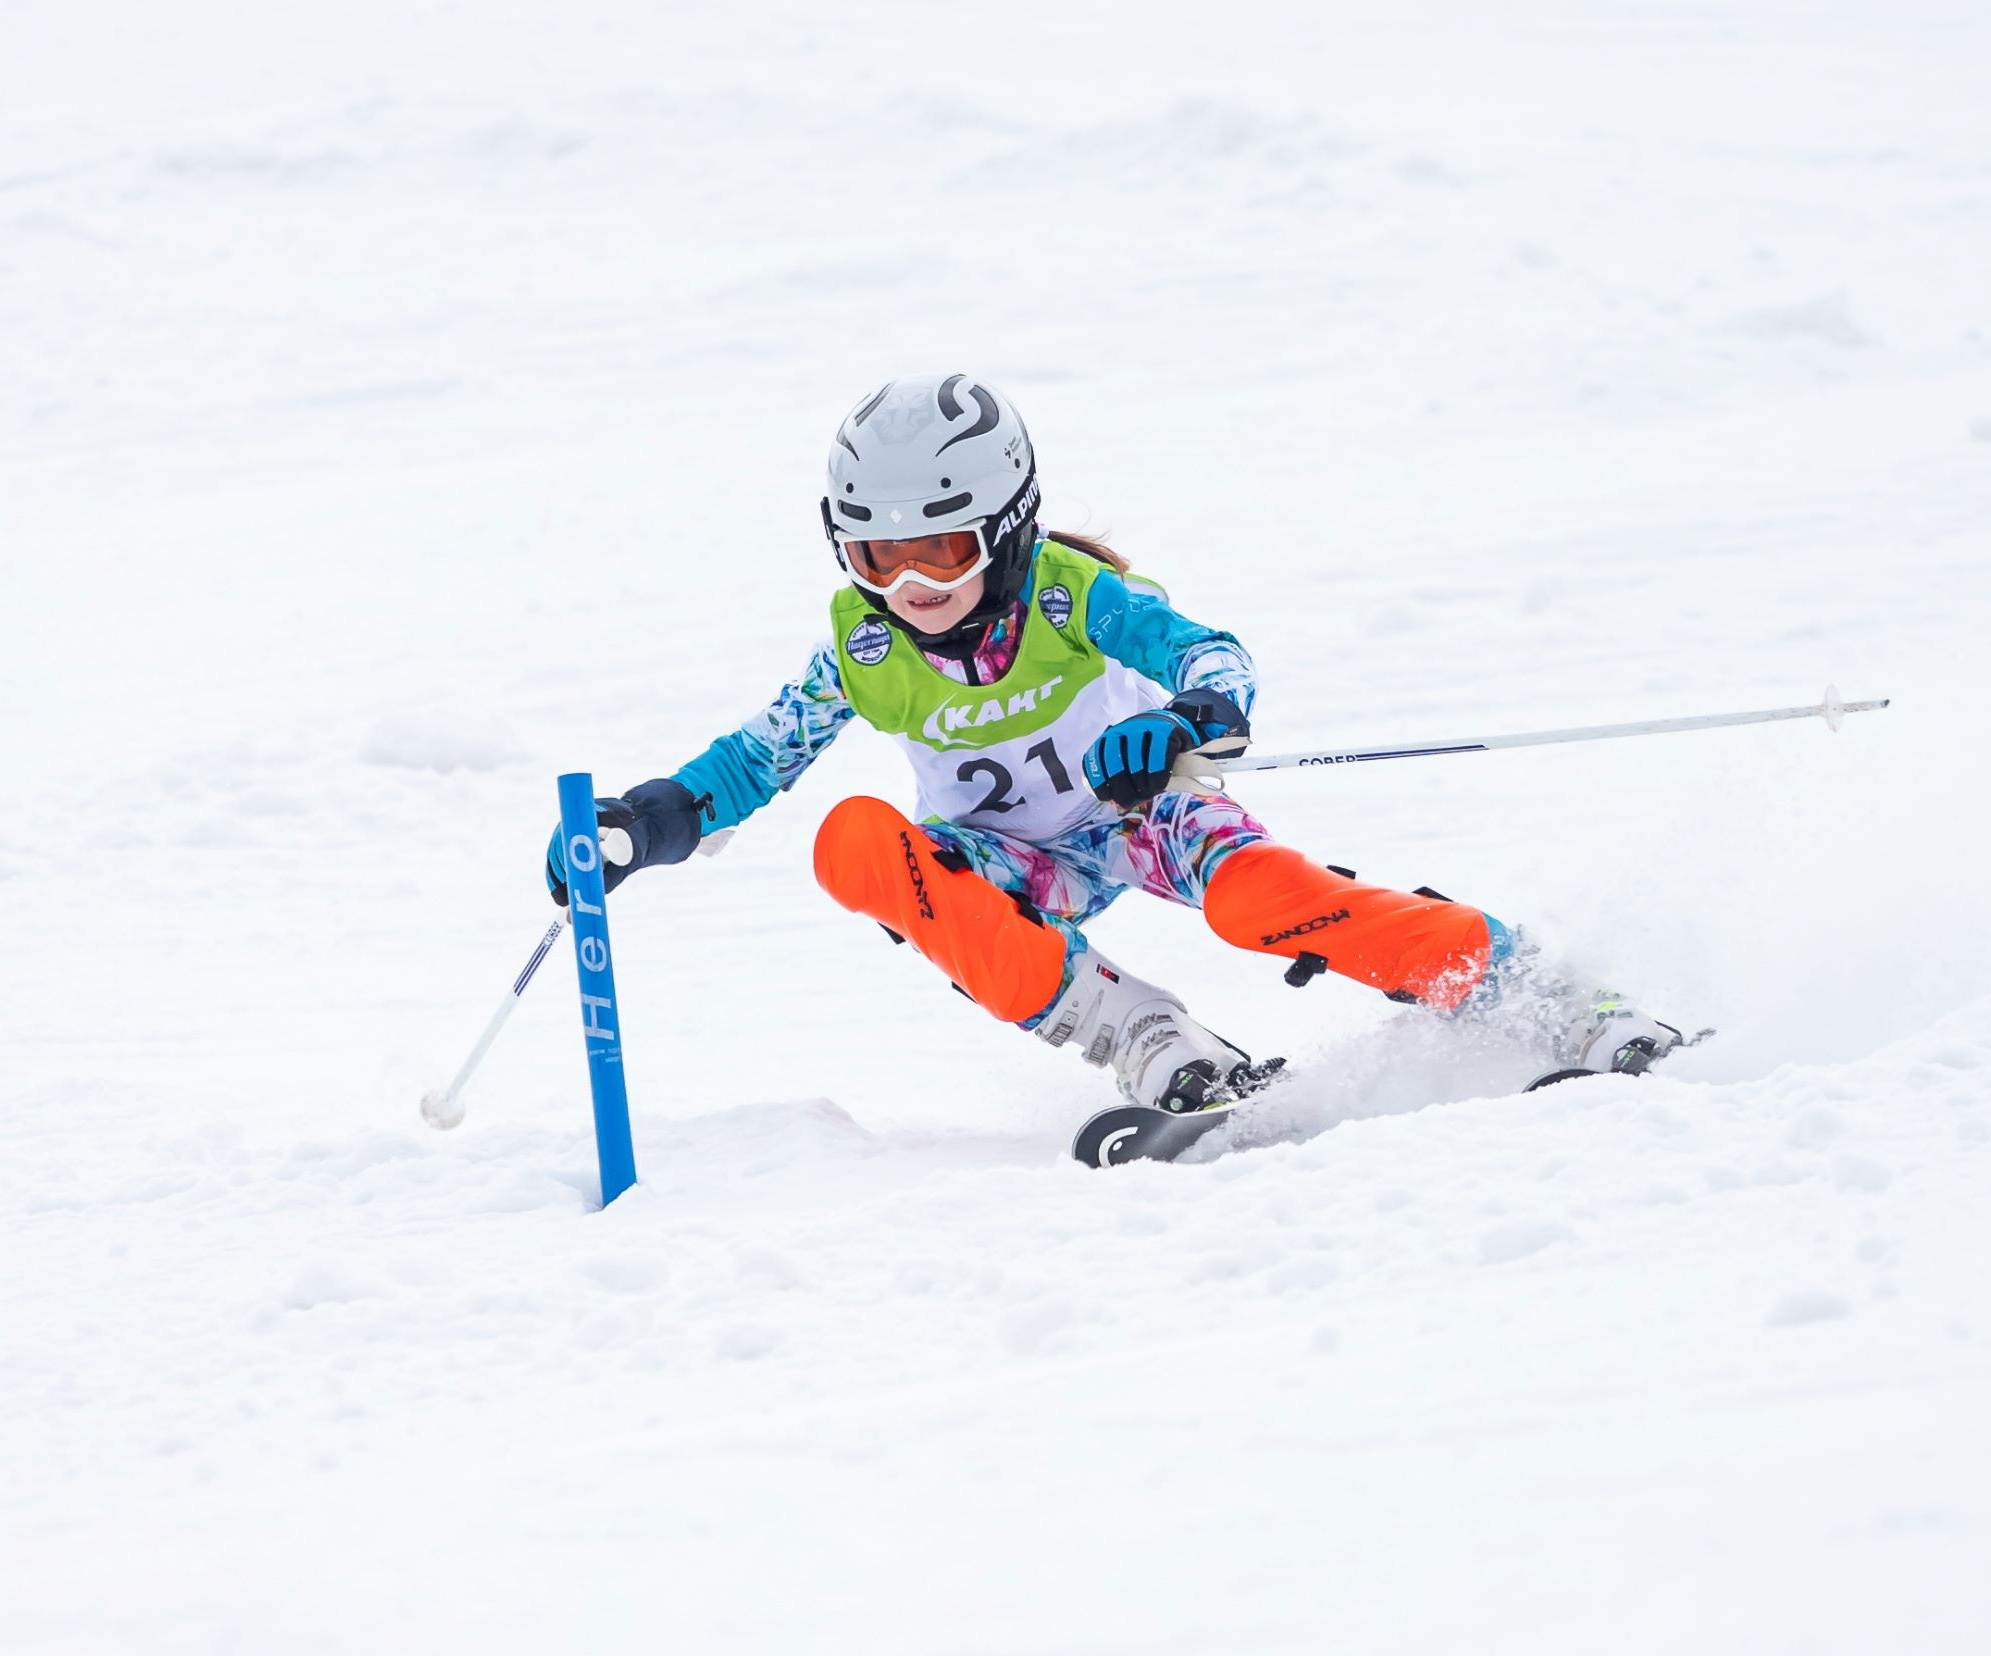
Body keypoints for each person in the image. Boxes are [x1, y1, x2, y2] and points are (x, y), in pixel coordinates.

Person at [548, 373, 1682, 1115]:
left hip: (1143, 813)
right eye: (872, 558)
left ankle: (1529, 988)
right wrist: (642, 825)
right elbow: (758, 759)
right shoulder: (863, 648)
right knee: (853, 840)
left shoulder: (1065, 597)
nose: (907, 587)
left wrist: (1183, 723)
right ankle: (1141, 1034)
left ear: (1003, 527)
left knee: (1258, 901)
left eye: (939, 554)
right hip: (1015, 862)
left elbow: (1213, 656)